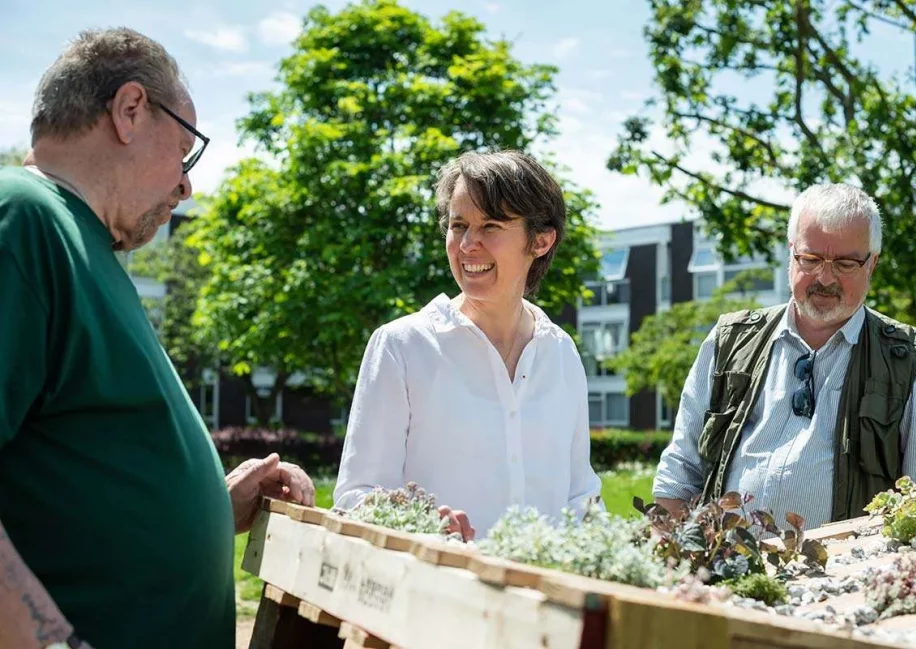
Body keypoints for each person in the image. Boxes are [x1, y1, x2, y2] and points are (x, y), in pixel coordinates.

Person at [0, 29, 315, 649]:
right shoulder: (24, 218)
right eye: (185, 150)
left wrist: (210, 510)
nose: (187, 184)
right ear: (130, 110)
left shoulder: (84, 246)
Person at [653, 183, 916, 531]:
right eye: (811, 259)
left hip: (846, 580)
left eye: (845, 263)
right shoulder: (729, 341)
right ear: (791, 253)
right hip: (720, 574)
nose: (824, 277)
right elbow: (679, 474)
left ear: (872, 264)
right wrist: (673, 566)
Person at [333, 150, 602, 539]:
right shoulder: (400, 347)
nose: (468, 244)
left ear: (540, 240)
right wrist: (423, 526)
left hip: (541, 596)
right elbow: (355, 497)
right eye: (458, 225)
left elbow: (580, 495)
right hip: (434, 591)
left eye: (490, 226)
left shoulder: (561, 353)